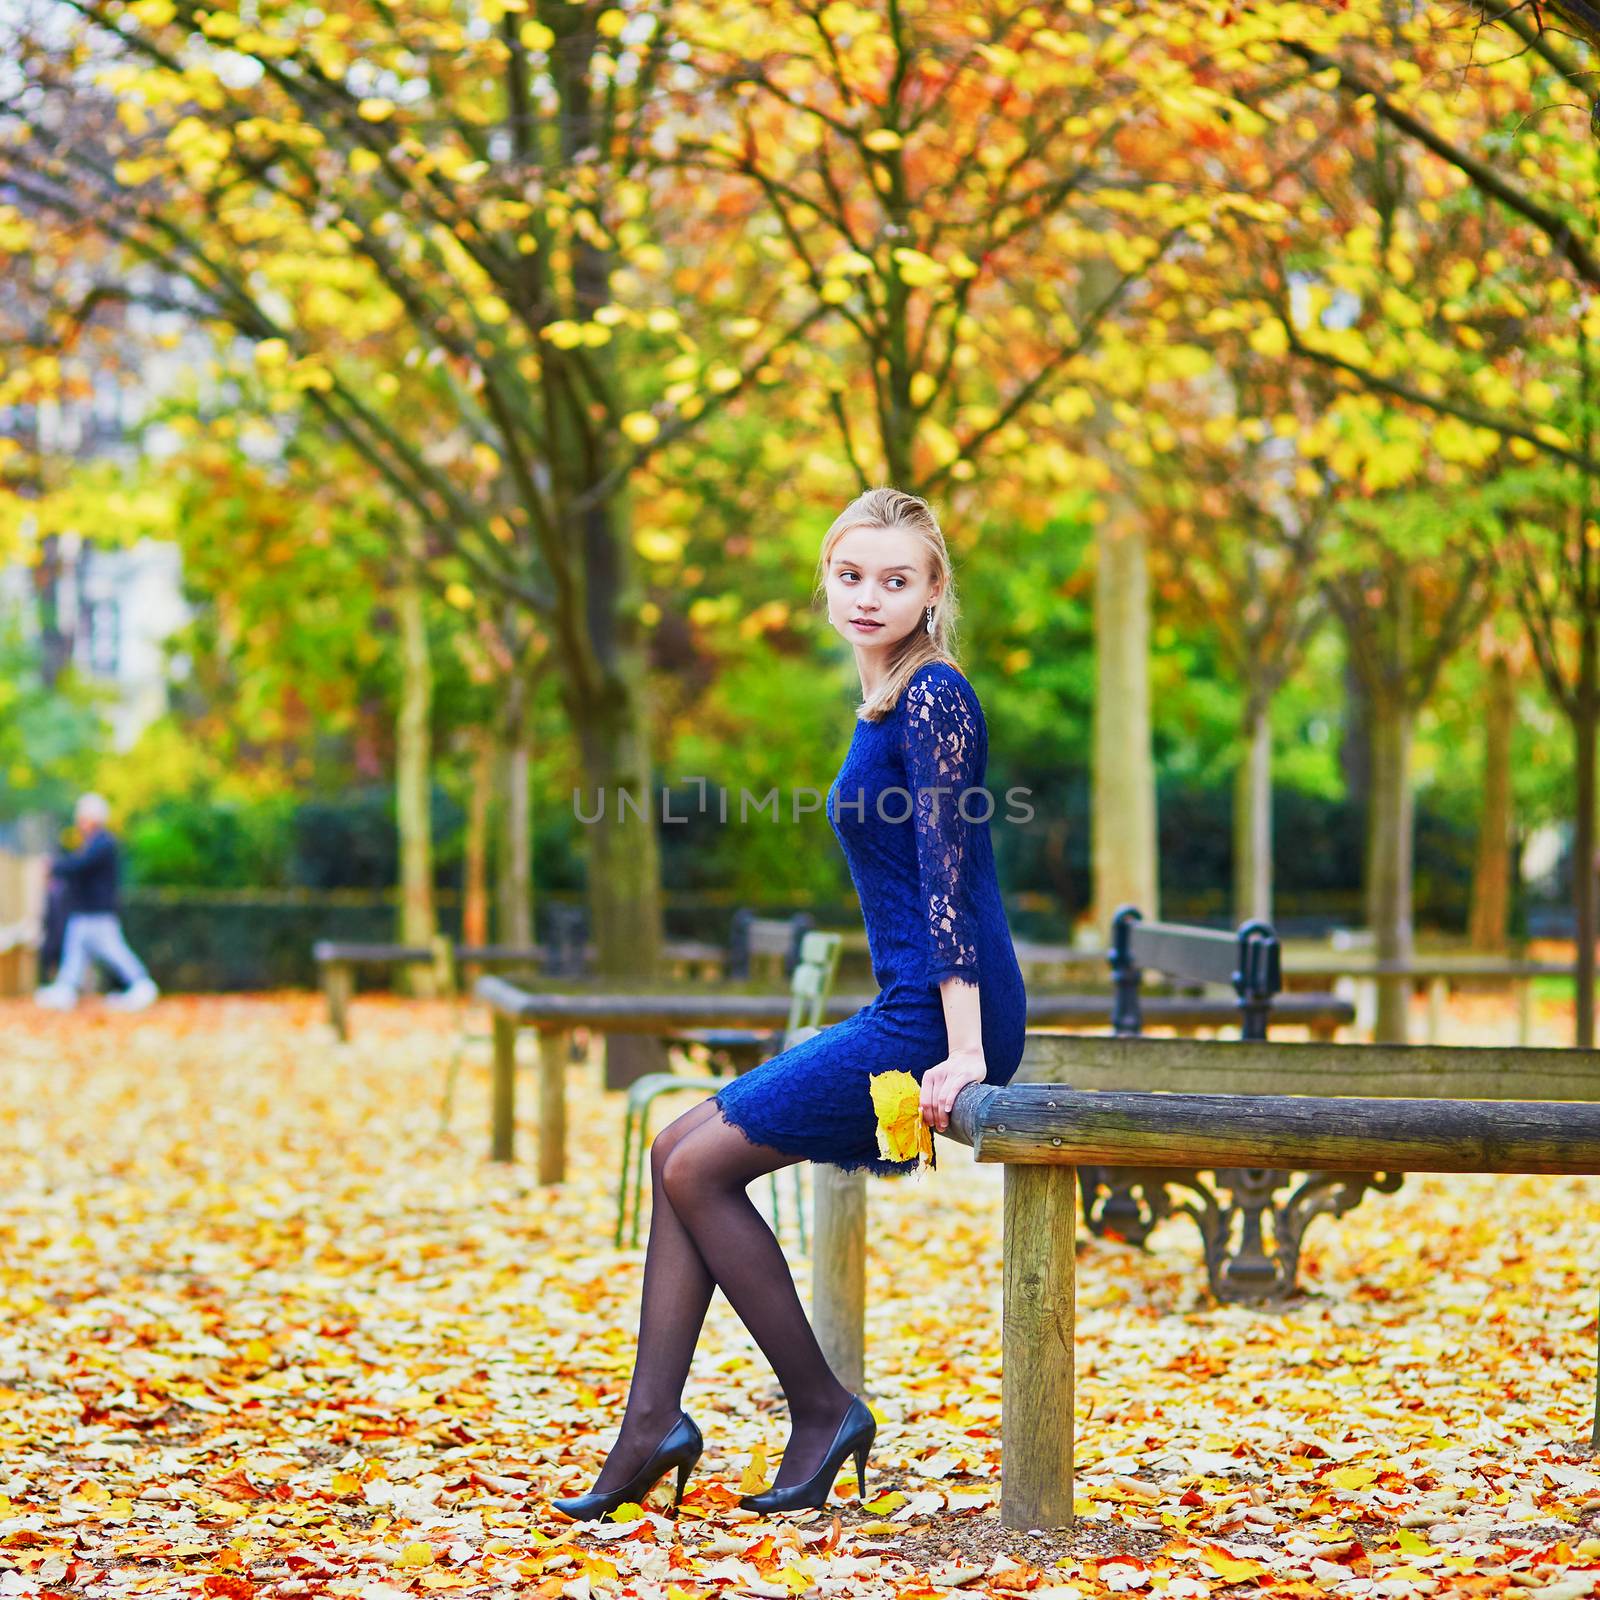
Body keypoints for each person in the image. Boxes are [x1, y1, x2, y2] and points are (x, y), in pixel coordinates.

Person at [551, 488, 1028, 1521]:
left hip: (939, 1019)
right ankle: (653, 1425)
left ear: (932, 589)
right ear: (826, 579)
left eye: (895, 579)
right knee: (674, 1149)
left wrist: (965, 1053)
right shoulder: (884, 700)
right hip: (908, 1003)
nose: (868, 595)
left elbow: (948, 884)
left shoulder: (936, 698)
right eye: (851, 575)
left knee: (695, 1159)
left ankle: (817, 1407)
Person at [33, 793, 159, 1012]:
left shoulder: (104, 843)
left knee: (113, 951)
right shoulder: (93, 843)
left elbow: (81, 865)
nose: (79, 823)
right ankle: (65, 989)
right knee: (75, 952)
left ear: (93, 818)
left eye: (82, 818)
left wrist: (54, 867)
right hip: (85, 912)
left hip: (97, 912)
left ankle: (141, 984)